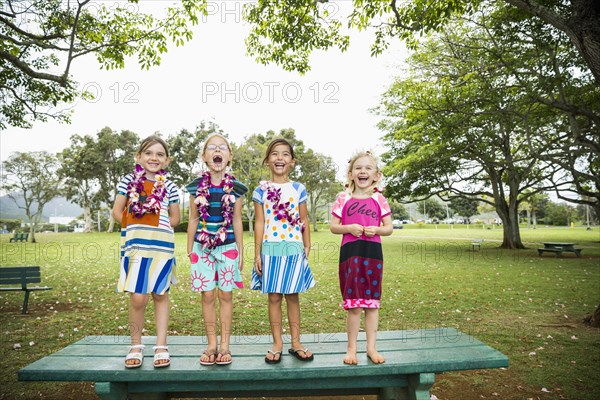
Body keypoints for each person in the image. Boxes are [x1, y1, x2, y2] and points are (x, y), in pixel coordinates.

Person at [112, 135, 180, 369]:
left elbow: (176, 217)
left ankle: (161, 345)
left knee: (160, 295)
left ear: (167, 160)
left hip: (161, 248)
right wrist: (135, 225)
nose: (154, 158)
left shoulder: (169, 185)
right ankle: (136, 345)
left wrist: (158, 224)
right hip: (136, 248)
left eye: (160, 154)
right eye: (149, 153)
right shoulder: (128, 181)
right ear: (139, 156)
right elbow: (116, 211)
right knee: (138, 297)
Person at [251, 137, 315, 364]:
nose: (280, 158)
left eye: (285, 154)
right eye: (275, 154)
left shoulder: (298, 189)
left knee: (292, 296)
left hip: (294, 248)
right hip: (270, 249)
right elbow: (260, 222)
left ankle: (296, 342)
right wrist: (257, 253)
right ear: (267, 160)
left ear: (292, 161)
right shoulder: (260, 190)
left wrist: (306, 244)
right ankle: (277, 343)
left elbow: (304, 218)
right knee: (274, 297)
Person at [186, 134, 247, 366]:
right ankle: (212, 343)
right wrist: (189, 248)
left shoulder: (237, 188)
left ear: (229, 156)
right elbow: (192, 219)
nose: (217, 150)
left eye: (222, 147)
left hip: (228, 246)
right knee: (208, 294)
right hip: (202, 247)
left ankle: (225, 345)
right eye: (211, 148)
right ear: (204, 156)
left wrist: (240, 249)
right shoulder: (195, 187)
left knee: (226, 294)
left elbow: (238, 219)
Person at [329, 151, 393, 365]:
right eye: (358, 168)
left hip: (373, 255)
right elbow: (333, 226)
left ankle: (371, 348)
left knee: (372, 304)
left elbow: (389, 228)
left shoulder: (379, 199)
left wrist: (375, 229)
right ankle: (351, 350)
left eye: (368, 168)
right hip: (351, 256)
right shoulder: (343, 198)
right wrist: (348, 227)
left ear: (376, 175)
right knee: (355, 305)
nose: (363, 171)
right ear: (350, 174)